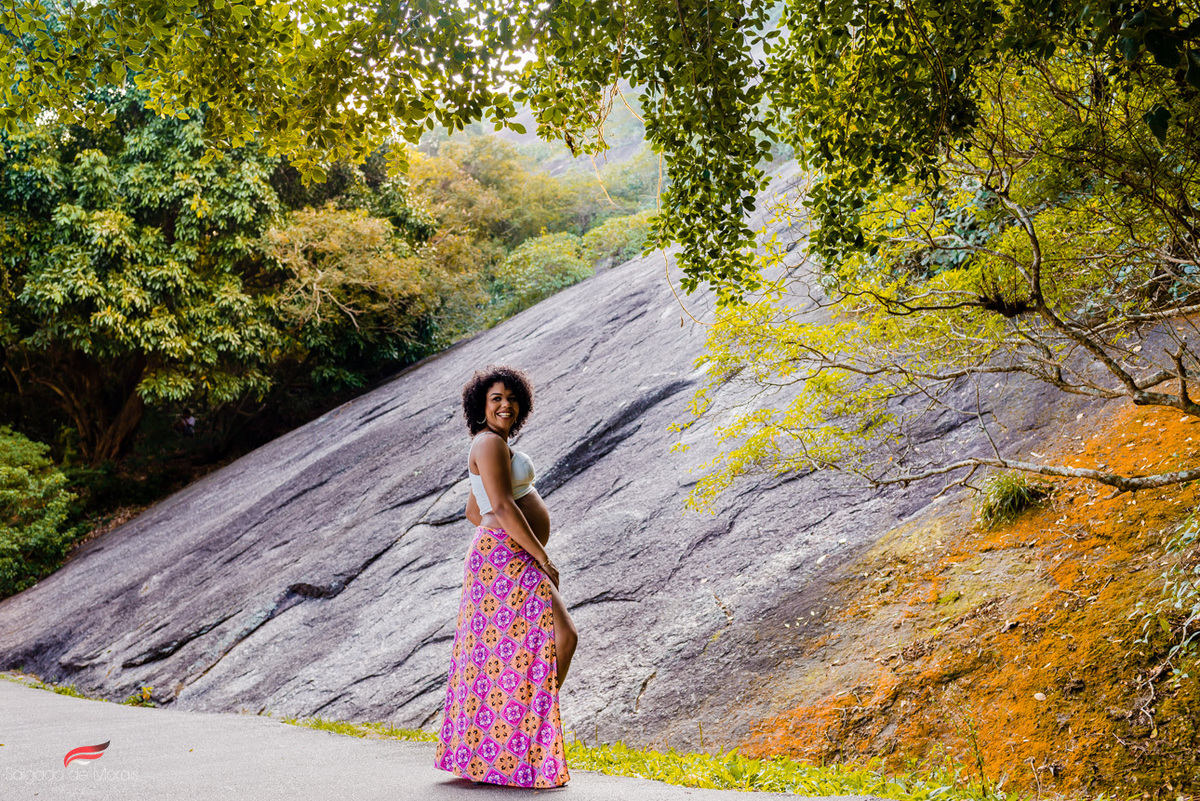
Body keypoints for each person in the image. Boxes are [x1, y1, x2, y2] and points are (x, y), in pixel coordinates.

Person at [433, 366, 577, 788]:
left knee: (507, 655)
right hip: (506, 558)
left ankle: (512, 741)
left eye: (512, 398)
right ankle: (524, 736)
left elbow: (473, 511)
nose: (505, 404)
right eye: (496, 397)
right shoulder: (489, 441)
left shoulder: (491, 445)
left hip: (501, 555)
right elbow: (500, 505)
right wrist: (541, 555)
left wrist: (515, 529)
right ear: (481, 404)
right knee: (562, 636)